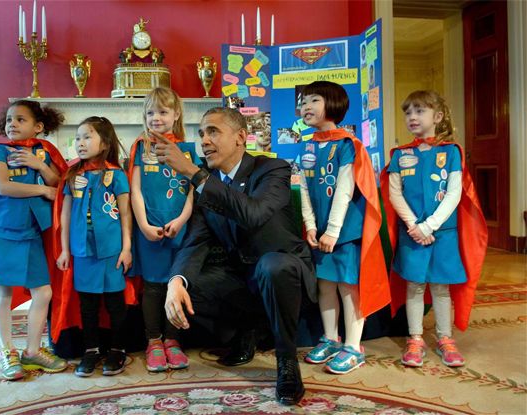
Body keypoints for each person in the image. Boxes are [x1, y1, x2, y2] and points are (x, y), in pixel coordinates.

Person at [155, 107, 316, 405]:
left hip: (284, 272)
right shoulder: (209, 184)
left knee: (271, 266)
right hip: (244, 279)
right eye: (202, 133)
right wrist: (176, 281)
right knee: (191, 285)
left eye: (213, 131)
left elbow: (253, 214)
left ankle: (287, 361)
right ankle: (249, 329)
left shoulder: (272, 169)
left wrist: (193, 171)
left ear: (241, 137)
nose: (204, 140)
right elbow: (195, 241)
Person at [381, 90, 487, 368]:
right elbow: (395, 195)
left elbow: (454, 194)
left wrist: (429, 225)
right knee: (414, 285)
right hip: (413, 234)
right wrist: (415, 226)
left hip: (442, 234)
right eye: (408, 112)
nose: (412, 117)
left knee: (441, 287)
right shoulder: (400, 154)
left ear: (437, 117)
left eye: (419, 111)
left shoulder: (451, 152)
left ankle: (445, 338)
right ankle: (415, 338)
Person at [0, 100, 68, 380]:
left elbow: (59, 182)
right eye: (10, 119)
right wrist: (43, 192)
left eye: (21, 119)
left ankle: (33, 351)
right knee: (4, 293)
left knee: (43, 292)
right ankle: (7, 350)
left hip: (32, 232)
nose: (13, 124)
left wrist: (40, 165)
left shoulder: (44, 152)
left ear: (38, 126)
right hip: (2, 229)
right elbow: (3, 186)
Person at [296, 81, 390, 374]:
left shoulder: (348, 145)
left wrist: (334, 230)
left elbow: (345, 190)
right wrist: (310, 225)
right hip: (319, 233)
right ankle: (331, 338)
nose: (306, 107)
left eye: (314, 100)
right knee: (325, 286)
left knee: (349, 289)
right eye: (303, 101)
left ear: (332, 105)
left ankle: (353, 346)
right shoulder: (307, 145)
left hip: (344, 234)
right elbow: (304, 189)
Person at [127, 87, 199, 372]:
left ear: (176, 114)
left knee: (175, 284)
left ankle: (173, 340)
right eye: (150, 112)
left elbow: (193, 191)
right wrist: (143, 224)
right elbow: (134, 191)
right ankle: (153, 341)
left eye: (163, 112)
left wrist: (181, 220)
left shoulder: (189, 149)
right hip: (149, 229)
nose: (156, 118)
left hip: (178, 227)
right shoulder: (140, 147)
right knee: (154, 287)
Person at [56, 116, 133, 377]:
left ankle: (118, 349)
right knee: (87, 304)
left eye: (87, 136)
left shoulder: (116, 175)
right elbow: (64, 215)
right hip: (82, 251)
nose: (80, 142)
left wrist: (127, 248)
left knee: (114, 303)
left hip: (111, 250)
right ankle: (91, 351)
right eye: (77, 138)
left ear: (104, 143)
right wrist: (65, 249)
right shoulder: (72, 175)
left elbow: (125, 214)